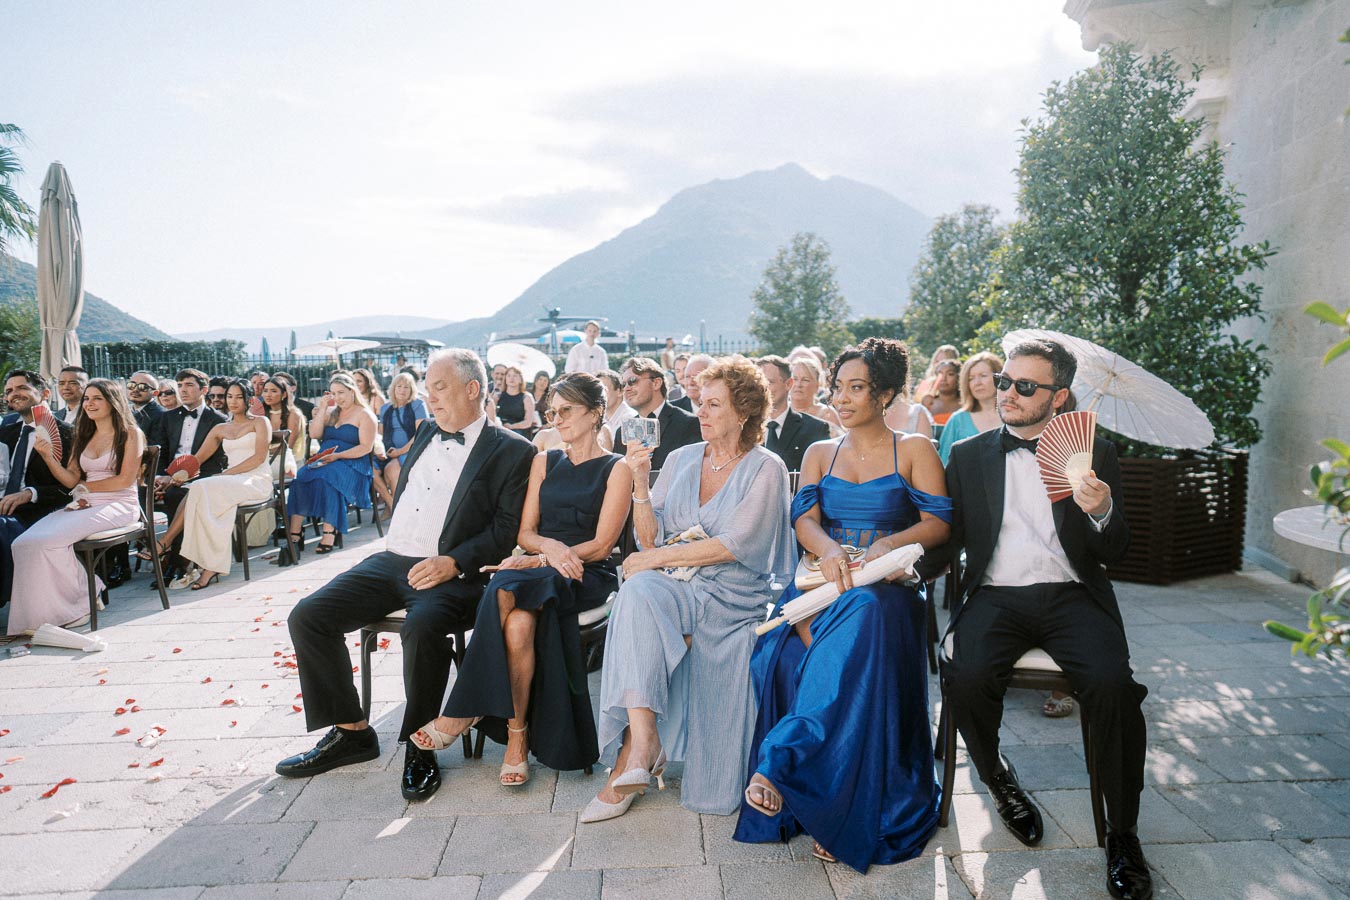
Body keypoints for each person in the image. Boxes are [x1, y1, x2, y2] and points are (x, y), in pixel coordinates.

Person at [934, 338, 1150, 900]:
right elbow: (947, 540)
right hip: (996, 595)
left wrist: (1101, 509)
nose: (1007, 392)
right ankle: (999, 781)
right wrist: (896, 562)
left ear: (1059, 398)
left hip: (1072, 595)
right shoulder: (970, 455)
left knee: (1112, 687)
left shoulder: (1094, 454)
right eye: (1005, 381)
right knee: (968, 677)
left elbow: (1118, 551)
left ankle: (1123, 834)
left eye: (1024, 386)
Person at [276, 349, 535, 802]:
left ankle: (421, 744)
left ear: (472, 390)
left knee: (422, 625)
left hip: (456, 575)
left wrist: (452, 561)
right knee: (308, 616)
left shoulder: (513, 450)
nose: (429, 399)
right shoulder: (425, 432)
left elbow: (504, 529)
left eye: (440, 388)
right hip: (393, 558)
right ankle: (353, 733)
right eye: (427, 390)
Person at [735, 338, 951, 871]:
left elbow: (941, 522)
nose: (844, 397)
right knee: (784, 650)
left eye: (857, 388)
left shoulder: (915, 448)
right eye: (840, 387)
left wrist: (888, 545)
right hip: (820, 581)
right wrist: (830, 548)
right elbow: (803, 518)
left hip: (888, 588)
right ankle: (818, 797)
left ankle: (783, 762)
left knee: (868, 611)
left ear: (884, 394)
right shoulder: (818, 452)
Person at [582, 356, 795, 822]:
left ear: (744, 412)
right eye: (699, 401)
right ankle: (643, 744)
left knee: (640, 584)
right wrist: (639, 480)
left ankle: (638, 759)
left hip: (733, 599)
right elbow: (647, 537)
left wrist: (651, 560)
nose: (700, 411)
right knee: (636, 593)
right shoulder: (679, 459)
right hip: (679, 588)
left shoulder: (766, 467)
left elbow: (736, 545)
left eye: (713, 404)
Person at [411, 373, 631, 785]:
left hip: (584, 572)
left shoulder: (617, 468)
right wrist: (545, 553)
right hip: (542, 567)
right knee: (518, 623)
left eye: (566, 410)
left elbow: (603, 545)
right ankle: (516, 739)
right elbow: (525, 534)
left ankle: (465, 708)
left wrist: (547, 559)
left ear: (596, 412)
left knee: (504, 581)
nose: (557, 418)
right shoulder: (544, 460)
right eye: (552, 411)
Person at [7, 380, 144, 634]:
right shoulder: (83, 433)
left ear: (112, 402)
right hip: (85, 502)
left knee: (49, 541)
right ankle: (43, 615)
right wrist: (48, 456)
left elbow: (125, 480)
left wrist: (84, 488)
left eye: (96, 399)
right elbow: (70, 479)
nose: (89, 404)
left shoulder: (130, 432)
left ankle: (82, 600)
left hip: (119, 503)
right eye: (87, 399)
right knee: (23, 543)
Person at [150, 380, 273, 589]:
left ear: (250, 400)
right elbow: (195, 460)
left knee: (204, 488)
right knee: (201, 491)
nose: (232, 401)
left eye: (239, 397)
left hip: (256, 480)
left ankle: (166, 542)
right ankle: (207, 565)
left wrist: (224, 475)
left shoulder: (260, 422)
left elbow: (259, 458)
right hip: (230, 482)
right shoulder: (220, 428)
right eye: (229, 396)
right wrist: (171, 477)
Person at [0, 371, 74, 607]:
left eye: (21, 387)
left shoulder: (67, 433)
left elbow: (71, 488)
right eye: (9, 391)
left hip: (40, 510)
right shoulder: (5, 433)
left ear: (44, 393)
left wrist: (30, 494)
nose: (13, 394)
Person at [148, 369, 229, 577]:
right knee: (142, 495)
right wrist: (160, 476)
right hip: (168, 476)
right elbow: (162, 452)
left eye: (189, 385)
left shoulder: (218, 419)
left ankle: (177, 562)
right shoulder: (168, 418)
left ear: (203, 390)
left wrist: (185, 476)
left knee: (177, 496)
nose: (182, 390)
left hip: (202, 477)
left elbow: (219, 460)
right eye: (180, 385)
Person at [287, 373, 376, 554]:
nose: (337, 398)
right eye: (333, 393)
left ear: (352, 391)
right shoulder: (331, 413)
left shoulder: (365, 414)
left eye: (341, 393)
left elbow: (366, 447)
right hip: (325, 460)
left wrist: (338, 456)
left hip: (353, 463)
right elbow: (314, 434)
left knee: (328, 478)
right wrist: (321, 409)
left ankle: (329, 531)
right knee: (301, 477)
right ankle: (295, 532)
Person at [612, 356, 701, 471]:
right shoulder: (622, 433)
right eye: (624, 385)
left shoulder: (689, 424)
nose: (627, 389)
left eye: (633, 381)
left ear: (656, 383)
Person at [757, 355, 829, 474]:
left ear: (788, 384)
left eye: (769, 382)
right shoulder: (744, 428)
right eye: (758, 383)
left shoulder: (814, 429)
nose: (763, 388)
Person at [376, 372, 429, 518]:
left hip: (413, 449)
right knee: (371, 469)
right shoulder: (385, 408)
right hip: (389, 451)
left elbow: (421, 433)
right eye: (399, 386)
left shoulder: (418, 404)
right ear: (393, 388)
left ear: (412, 389)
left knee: (391, 470)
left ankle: (397, 511)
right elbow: (379, 434)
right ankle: (391, 504)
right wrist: (380, 451)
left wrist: (400, 451)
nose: (402, 390)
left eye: (406, 387)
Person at [937, 351, 1004, 464]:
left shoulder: (1014, 416)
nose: (977, 383)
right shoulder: (957, 420)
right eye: (971, 378)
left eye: (983, 376)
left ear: (999, 378)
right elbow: (944, 464)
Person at [789, 357, 842, 436]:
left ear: (817, 385)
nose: (798, 385)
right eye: (795, 379)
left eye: (805, 380)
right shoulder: (780, 411)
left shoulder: (827, 414)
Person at [260, 377, 306, 463]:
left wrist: (260, 454)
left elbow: (288, 447)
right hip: (265, 459)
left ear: (284, 394)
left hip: (288, 461)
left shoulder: (294, 414)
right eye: (265, 391)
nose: (268, 395)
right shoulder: (261, 413)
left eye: (273, 391)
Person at [487, 366, 536, 438]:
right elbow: (489, 414)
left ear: (521, 380)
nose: (511, 378)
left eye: (515, 376)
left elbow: (528, 422)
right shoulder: (497, 396)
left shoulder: (527, 397)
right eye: (509, 375)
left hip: (520, 434)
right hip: (500, 431)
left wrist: (511, 426)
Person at [597, 369, 636, 445]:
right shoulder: (597, 418)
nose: (599, 395)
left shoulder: (631, 419)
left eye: (604, 389)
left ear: (620, 391)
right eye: (597, 390)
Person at [922, 359, 962, 427]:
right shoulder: (928, 403)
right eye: (939, 374)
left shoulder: (966, 404)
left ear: (959, 378)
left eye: (950, 374)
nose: (943, 378)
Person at [126, 370, 166, 435]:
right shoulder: (124, 412)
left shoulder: (161, 415)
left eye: (143, 387)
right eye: (131, 385)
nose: (135, 389)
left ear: (155, 393)